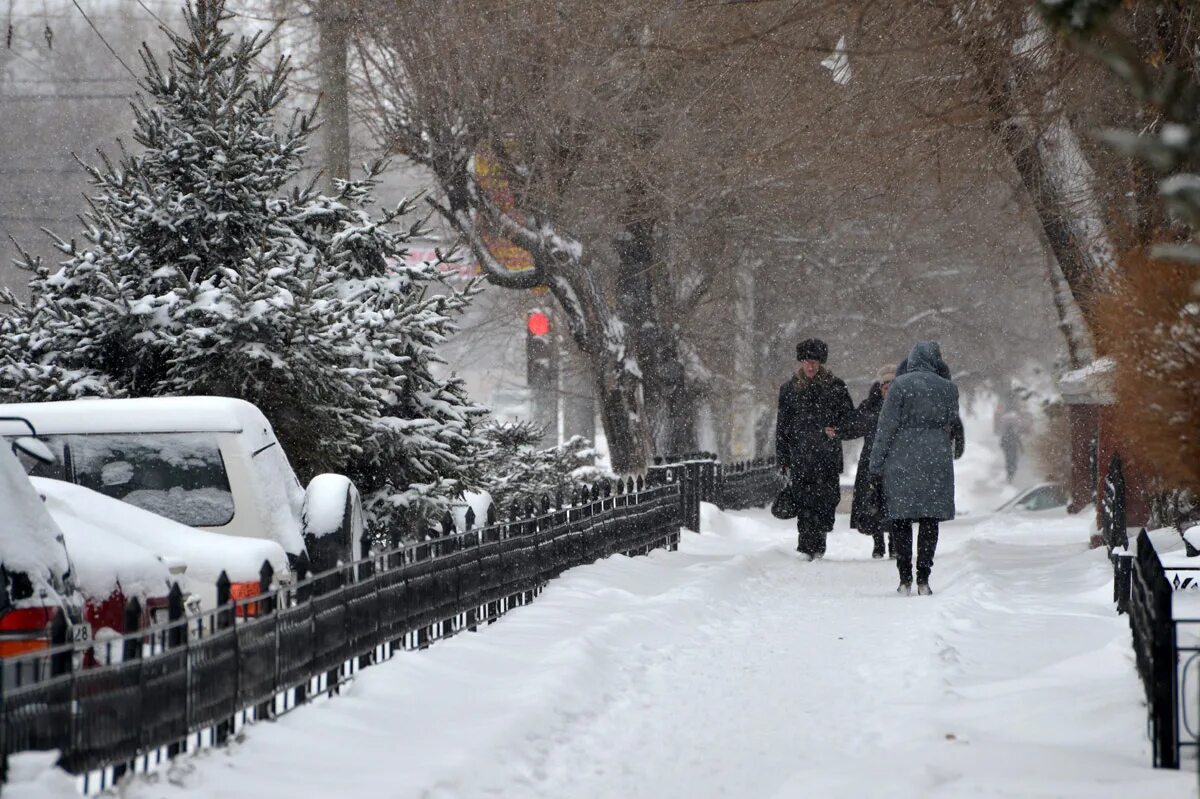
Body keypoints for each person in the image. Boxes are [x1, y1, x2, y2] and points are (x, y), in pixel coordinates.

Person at [869, 341, 963, 595]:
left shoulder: (899, 386)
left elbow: (885, 427)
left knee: (901, 519)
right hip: (936, 459)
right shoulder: (948, 388)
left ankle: (904, 579)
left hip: (903, 458)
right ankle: (924, 578)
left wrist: (875, 463)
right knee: (930, 520)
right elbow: (952, 420)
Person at [775, 338, 854, 560]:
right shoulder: (789, 390)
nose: (810, 366)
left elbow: (849, 418)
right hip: (800, 456)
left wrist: (836, 429)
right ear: (801, 362)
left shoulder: (835, 387)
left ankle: (819, 541)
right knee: (804, 501)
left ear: (821, 363)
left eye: (814, 362)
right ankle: (806, 546)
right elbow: (782, 427)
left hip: (827, 456)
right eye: (806, 361)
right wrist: (783, 458)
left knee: (827, 501)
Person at [846, 365, 897, 559]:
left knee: (894, 504)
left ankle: (894, 543)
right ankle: (878, 543)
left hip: (895, 462)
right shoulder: (869, 406)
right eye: (885, 384)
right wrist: (836, 430)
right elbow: (854, 426)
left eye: (892, 384)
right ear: (880, 386)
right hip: (871, 460)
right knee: (872, 502)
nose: (888, 388)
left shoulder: (903, 406)